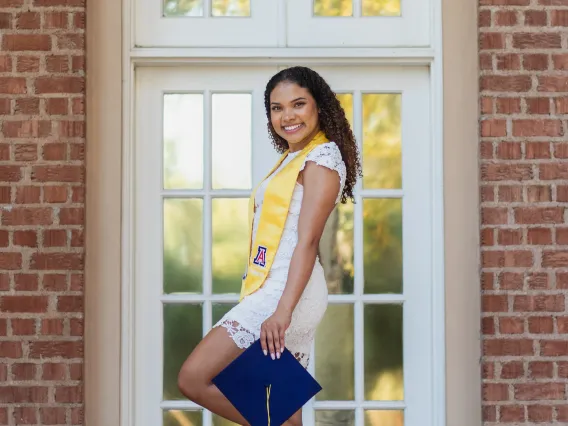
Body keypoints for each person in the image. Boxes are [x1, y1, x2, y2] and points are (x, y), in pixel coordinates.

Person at [177, 66, 362, 426]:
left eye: (298, 104)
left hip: (287, 291)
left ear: (318, 107)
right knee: (286, 415)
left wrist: (282, 310)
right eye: (277, 108)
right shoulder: (296, 158)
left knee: (193, 378)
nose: (287, 116)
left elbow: (308, 241)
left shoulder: (322, 158)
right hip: (282, 286)